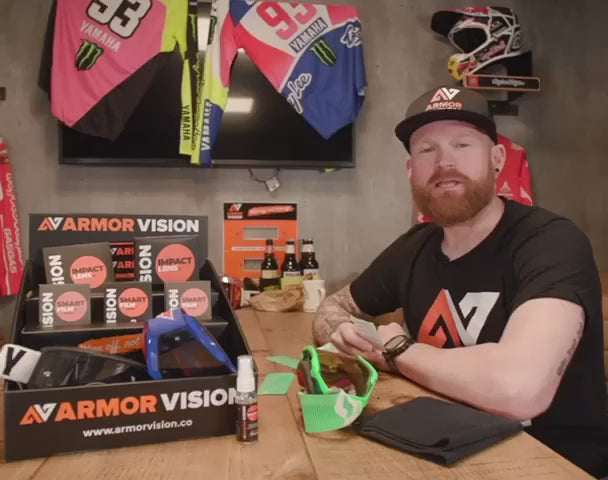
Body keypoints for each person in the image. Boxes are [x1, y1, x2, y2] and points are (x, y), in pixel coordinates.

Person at [312, 85, 608, 478]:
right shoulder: (414, 247)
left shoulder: (551, 242)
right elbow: (333, 306)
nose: (444, 162)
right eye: (427, 150)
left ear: (497, 159)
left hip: (551, 464)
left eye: (462, 144)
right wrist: (343, 331)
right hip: (440, 450)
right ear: (411, 170)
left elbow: (519, 389)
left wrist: (398, 350)